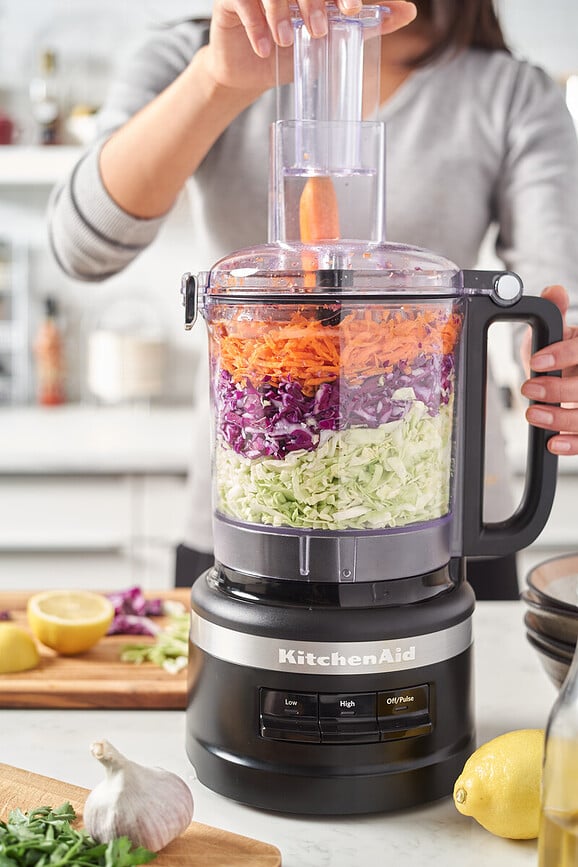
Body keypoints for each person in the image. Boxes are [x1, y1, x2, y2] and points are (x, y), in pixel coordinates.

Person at [48, 0, 578, 599]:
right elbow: (80, 246)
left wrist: (554, 357)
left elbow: (549, 292)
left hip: (436, 520)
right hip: (254, 505)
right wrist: (218, 81)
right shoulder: (198, 54)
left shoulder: (510, 91)